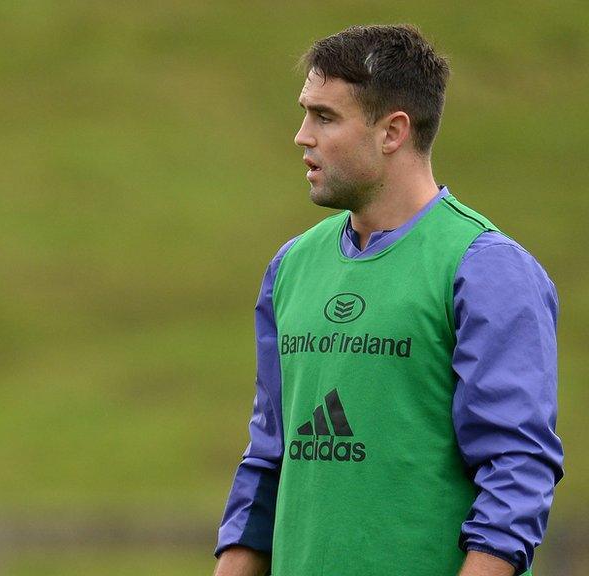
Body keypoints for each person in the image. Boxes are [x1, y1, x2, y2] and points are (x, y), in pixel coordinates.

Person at [213, 25, 562, 576]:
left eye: (325, 117)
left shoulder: (486, 269)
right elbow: (267, 460)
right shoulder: (291, 267)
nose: (302, 136)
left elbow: (516, 470)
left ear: (392, 131)